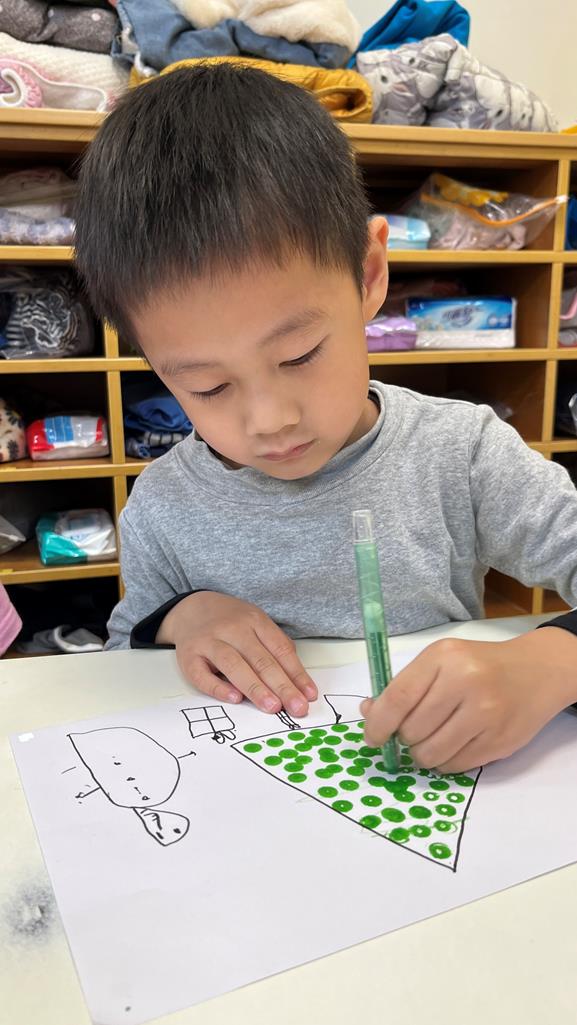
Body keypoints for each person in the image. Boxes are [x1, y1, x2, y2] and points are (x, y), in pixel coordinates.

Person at [75, 63, 577, 773]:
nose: (270, 419)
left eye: (301, 354)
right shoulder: (161, 506)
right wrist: (181, 618)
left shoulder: (461, 454)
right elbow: (121, 655)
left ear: (369, 275)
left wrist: (551, 663)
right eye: (208, 386)